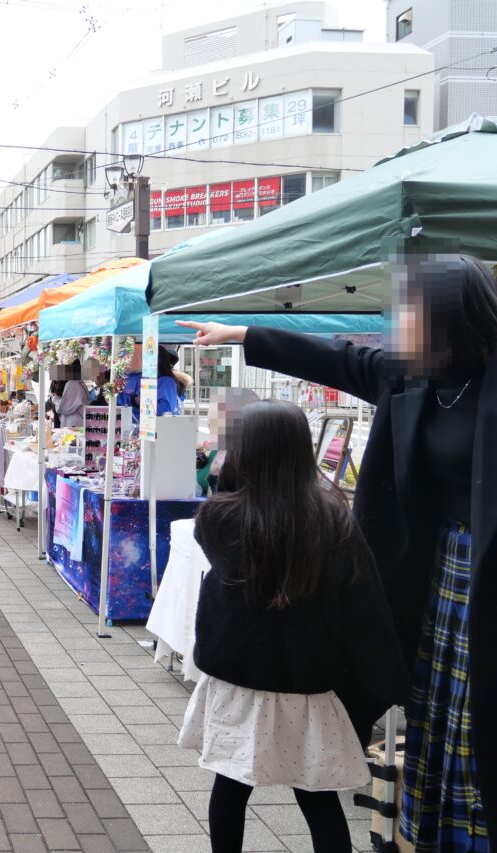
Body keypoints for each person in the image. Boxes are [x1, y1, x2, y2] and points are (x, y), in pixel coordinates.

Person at [178, 254, 497, 852]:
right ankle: (440, 831)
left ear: (451, 317)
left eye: (412, 315)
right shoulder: (408, 374)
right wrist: (244, 334)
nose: (399, 326)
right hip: (426, 563)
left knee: (478, 711)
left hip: (481, 567)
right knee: (436, 707)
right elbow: (337, 358)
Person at [180, 399, 408, 853]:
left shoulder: (220, 519)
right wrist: (382, 685)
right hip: (309, 687)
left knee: (230, 788)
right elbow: (365, 611)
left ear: (244, 451)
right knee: (318, 798)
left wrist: (227, 475)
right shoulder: (332, 520)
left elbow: (222, 504)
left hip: (240, 685)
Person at [117, 345, 190, 425]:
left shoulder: (166, 381)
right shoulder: (134, 377)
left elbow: (165, 411)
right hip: (131, 425)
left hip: (154, 427)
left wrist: (139, 401)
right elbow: (119, 400)